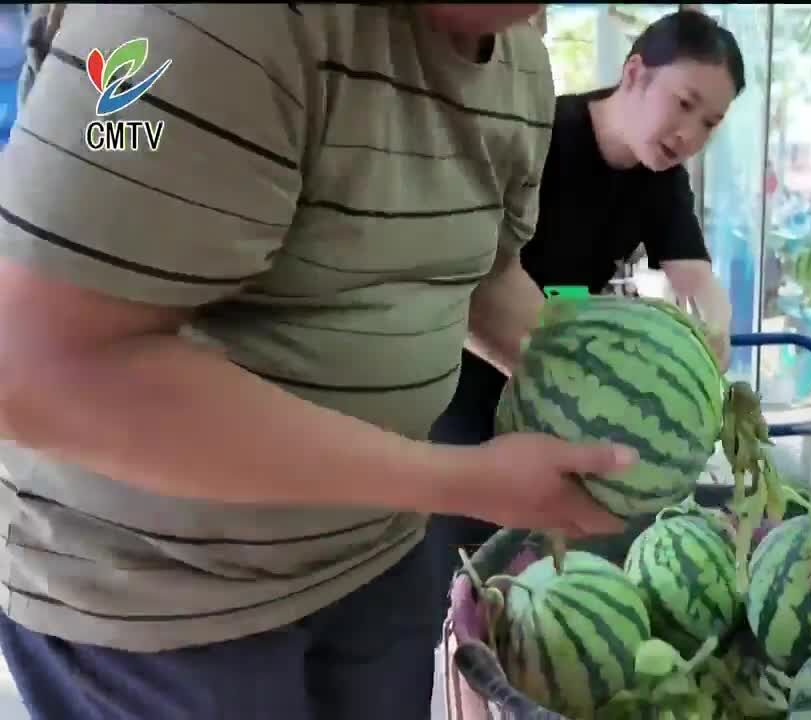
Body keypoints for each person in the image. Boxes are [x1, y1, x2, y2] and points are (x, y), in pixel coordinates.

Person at [0, 4, 634, 719]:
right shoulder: (218, 21)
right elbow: (38, 369)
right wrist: (462, 481)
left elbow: (479, 273)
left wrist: (615, 381)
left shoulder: (521, 67)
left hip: (373, 564)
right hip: (162, 602)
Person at [422, 6, 746, 665]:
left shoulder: (659, 180)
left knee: (540, 599)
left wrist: (709, 339)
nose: (689, 134)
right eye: (683, 104)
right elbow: (469, 275)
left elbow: (695, 277)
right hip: (470, 382)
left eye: (709, 123)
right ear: (634, 74)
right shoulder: (540, 131)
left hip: (562, 393)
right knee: (465, 589)